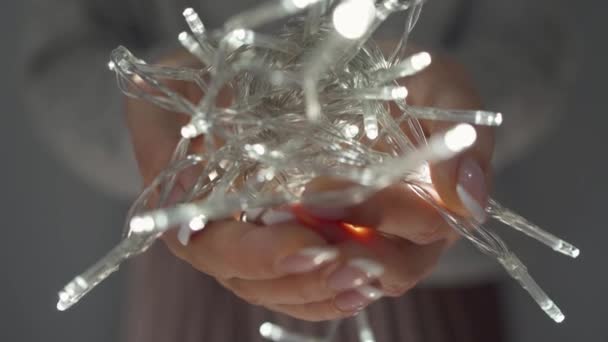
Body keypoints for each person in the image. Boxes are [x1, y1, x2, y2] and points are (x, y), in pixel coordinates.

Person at [23, 0, 576, 341]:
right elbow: (61, 55)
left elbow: (531, 36)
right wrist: (175, 133)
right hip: (201, 266)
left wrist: (450, 115)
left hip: (431, 279)